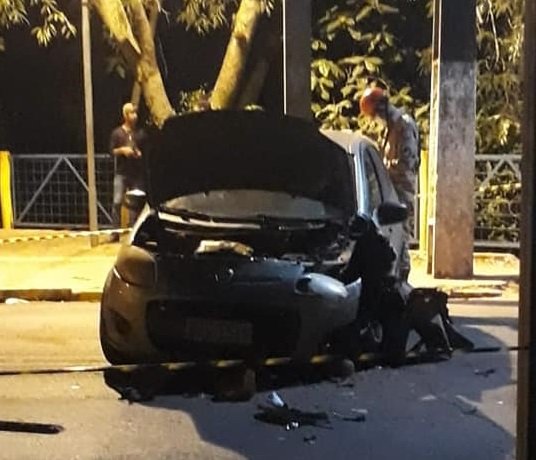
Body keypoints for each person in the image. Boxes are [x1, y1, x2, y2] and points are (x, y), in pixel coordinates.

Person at [359, 86, 420, 282]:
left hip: (402, 190)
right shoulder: (388, 128)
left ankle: (403, 282)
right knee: (391, 238)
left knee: (402, 237)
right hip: (389, 190)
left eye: (373, 115)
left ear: (381, 107)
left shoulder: (404, 125)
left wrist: (383, 170)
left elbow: (407, 162)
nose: (374, 119)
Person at [109, 102, 145, 237]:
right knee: (117, 202)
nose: (134, 116)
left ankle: (133, 232)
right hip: (121, 172)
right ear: (125, 115)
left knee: (135, 204)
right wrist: (122, 150)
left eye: (135, 113)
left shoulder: (140, 133)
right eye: (131, 113)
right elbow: (111, 151)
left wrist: (138, 154)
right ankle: (115, 233)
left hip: (136, 173)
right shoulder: (117, 133)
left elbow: (146, 151)